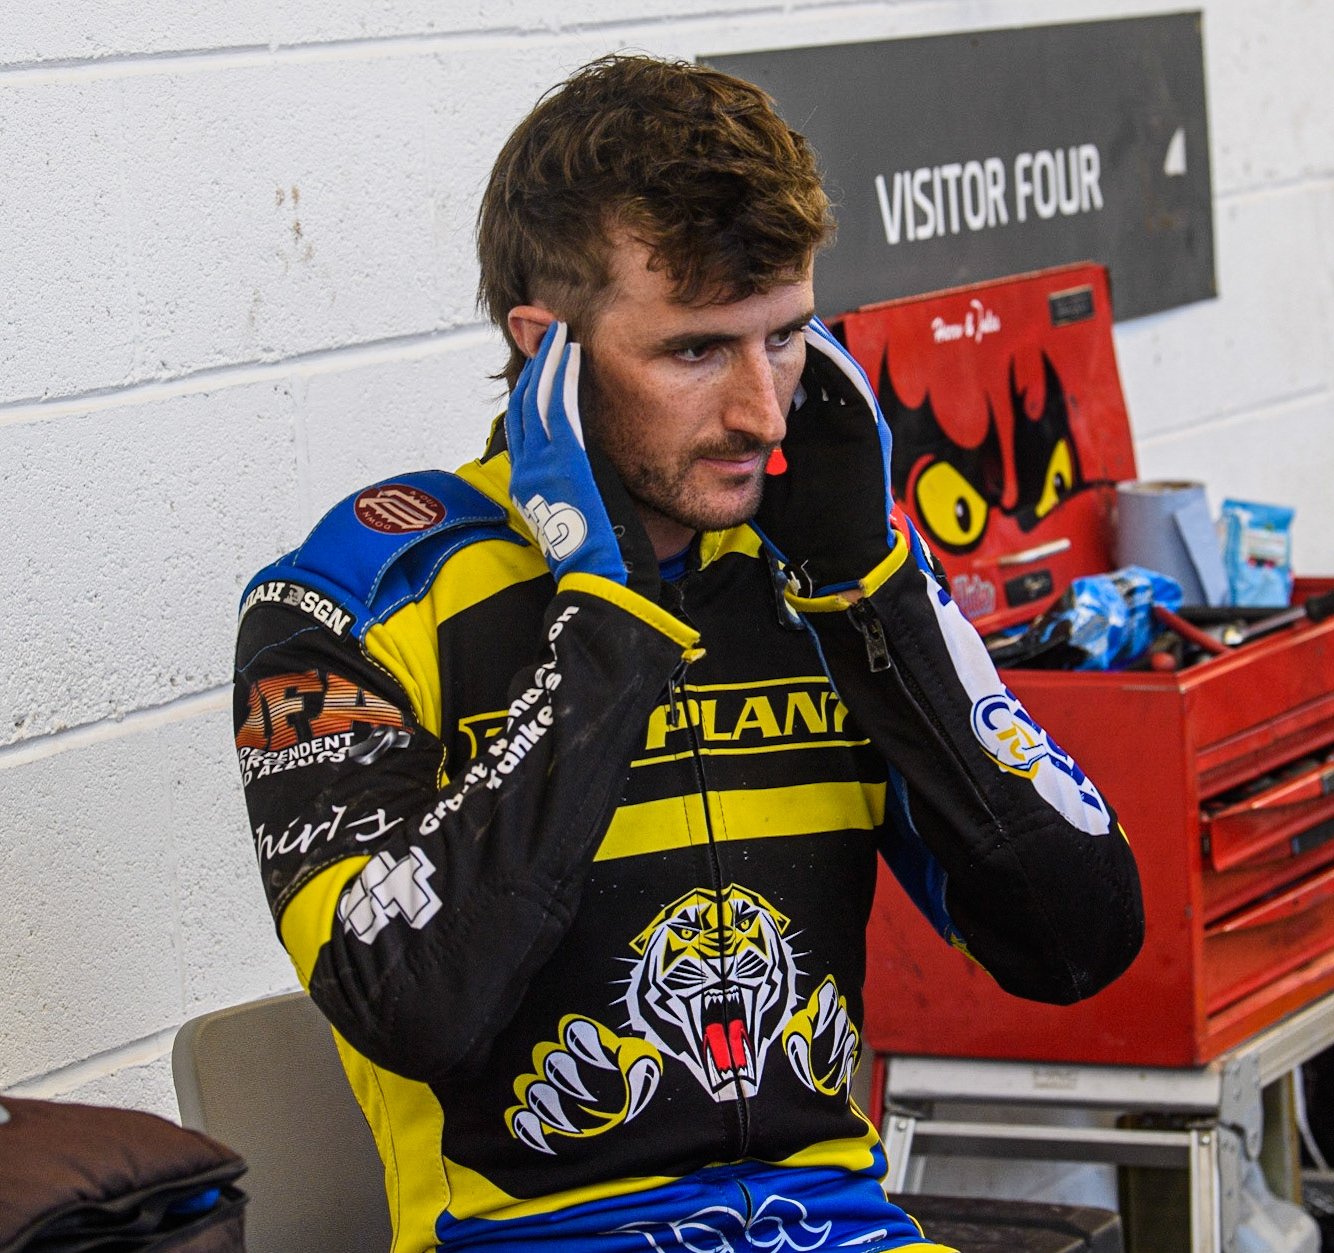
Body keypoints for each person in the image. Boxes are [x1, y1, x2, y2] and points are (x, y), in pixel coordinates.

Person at [232, 54, 1144, 1253]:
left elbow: (1080, 942)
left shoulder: (830, 578)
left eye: (789, 337)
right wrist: (607, 620)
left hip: (840, 1228)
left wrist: (874, 602)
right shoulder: (345, 602)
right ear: (543, 347)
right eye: (697, 351)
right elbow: (413, 1000)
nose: (765, 412)